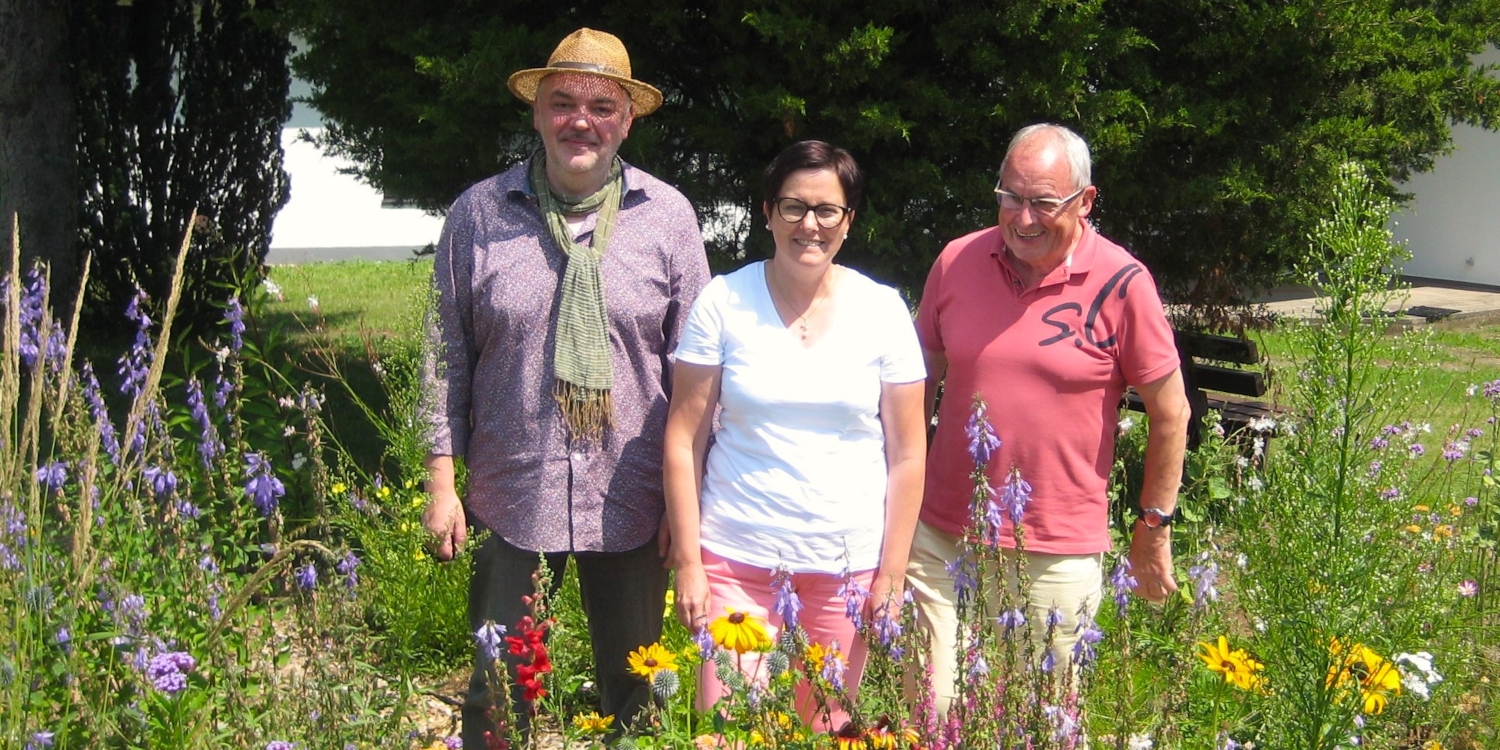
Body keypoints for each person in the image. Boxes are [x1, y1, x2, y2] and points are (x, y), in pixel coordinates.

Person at [419, 27, 710, 746]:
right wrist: (440, 483)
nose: (582, 120)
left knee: (638, 691)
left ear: (628, 119)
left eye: (602, 106)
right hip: (512, 490)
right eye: (564, 103)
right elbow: (444, 357)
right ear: (538, 112)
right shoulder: (478, 216)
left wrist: (688, 502)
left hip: (633, 494)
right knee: (500, 687)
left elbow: (698, 376)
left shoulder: (669, 218)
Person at [908, 123, 1190, 715]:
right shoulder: (957, 260)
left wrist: (1153, 528)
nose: (1024, 218)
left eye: (1043, 202)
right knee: (930, 716)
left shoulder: (1122, 283)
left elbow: (1171, 414)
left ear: (1085, 201)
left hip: (1055, 552)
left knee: (1040, 722)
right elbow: (915, 384)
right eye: (1012, 196)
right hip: (940, 539)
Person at [663, 140, 927, 730]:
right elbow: (684, 440)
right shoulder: (723, 303)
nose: (810, 224)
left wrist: (890, 573)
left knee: (826, 730)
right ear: (767, 212)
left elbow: (909, 455)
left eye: (827, 210)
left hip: (847, 571)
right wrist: (688, 562)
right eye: (793, 207)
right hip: (736, 564)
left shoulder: (883, 311)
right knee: (731, 733)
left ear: (849, 220)